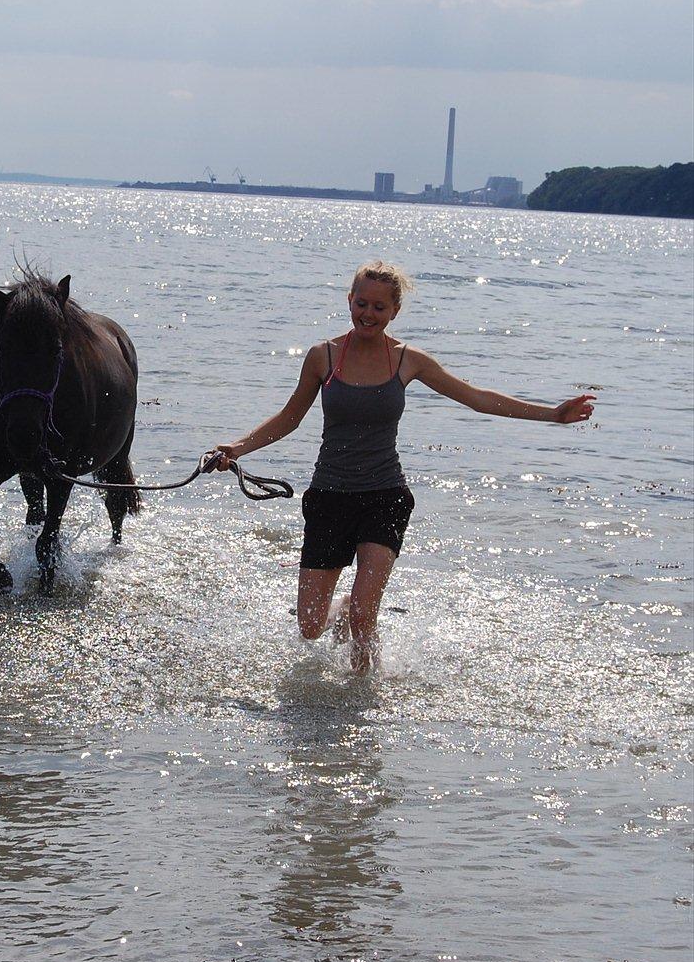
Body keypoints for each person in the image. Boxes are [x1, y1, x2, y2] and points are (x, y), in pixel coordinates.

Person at [212, 261, 595, 674]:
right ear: (349, 302)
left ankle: (364, 705)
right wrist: (236, 448)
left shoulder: (408, 360)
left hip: (385, 496)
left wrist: (552, 415)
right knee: (309, 627)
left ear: (394, 311)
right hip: (329, 497)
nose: (368, 314)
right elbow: (289, 418)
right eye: (362, 304)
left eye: (379, 307)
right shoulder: (323, 357)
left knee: (364, 616)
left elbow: (476, 398)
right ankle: (338, 609)